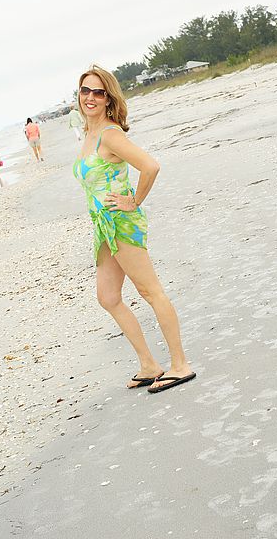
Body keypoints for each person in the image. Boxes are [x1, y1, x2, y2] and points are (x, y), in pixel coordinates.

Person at [73, 65, 196, 393]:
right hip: (104, 228)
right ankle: (148, 364)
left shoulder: (110, 134)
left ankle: (180, 364)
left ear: (108, 98)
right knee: (108, 297)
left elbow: (150, 166)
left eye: (98, 92)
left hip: (122, 224)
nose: (90, 97)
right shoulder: (89, 134)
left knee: (150, 291)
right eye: (86, 90)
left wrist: (133, 201)